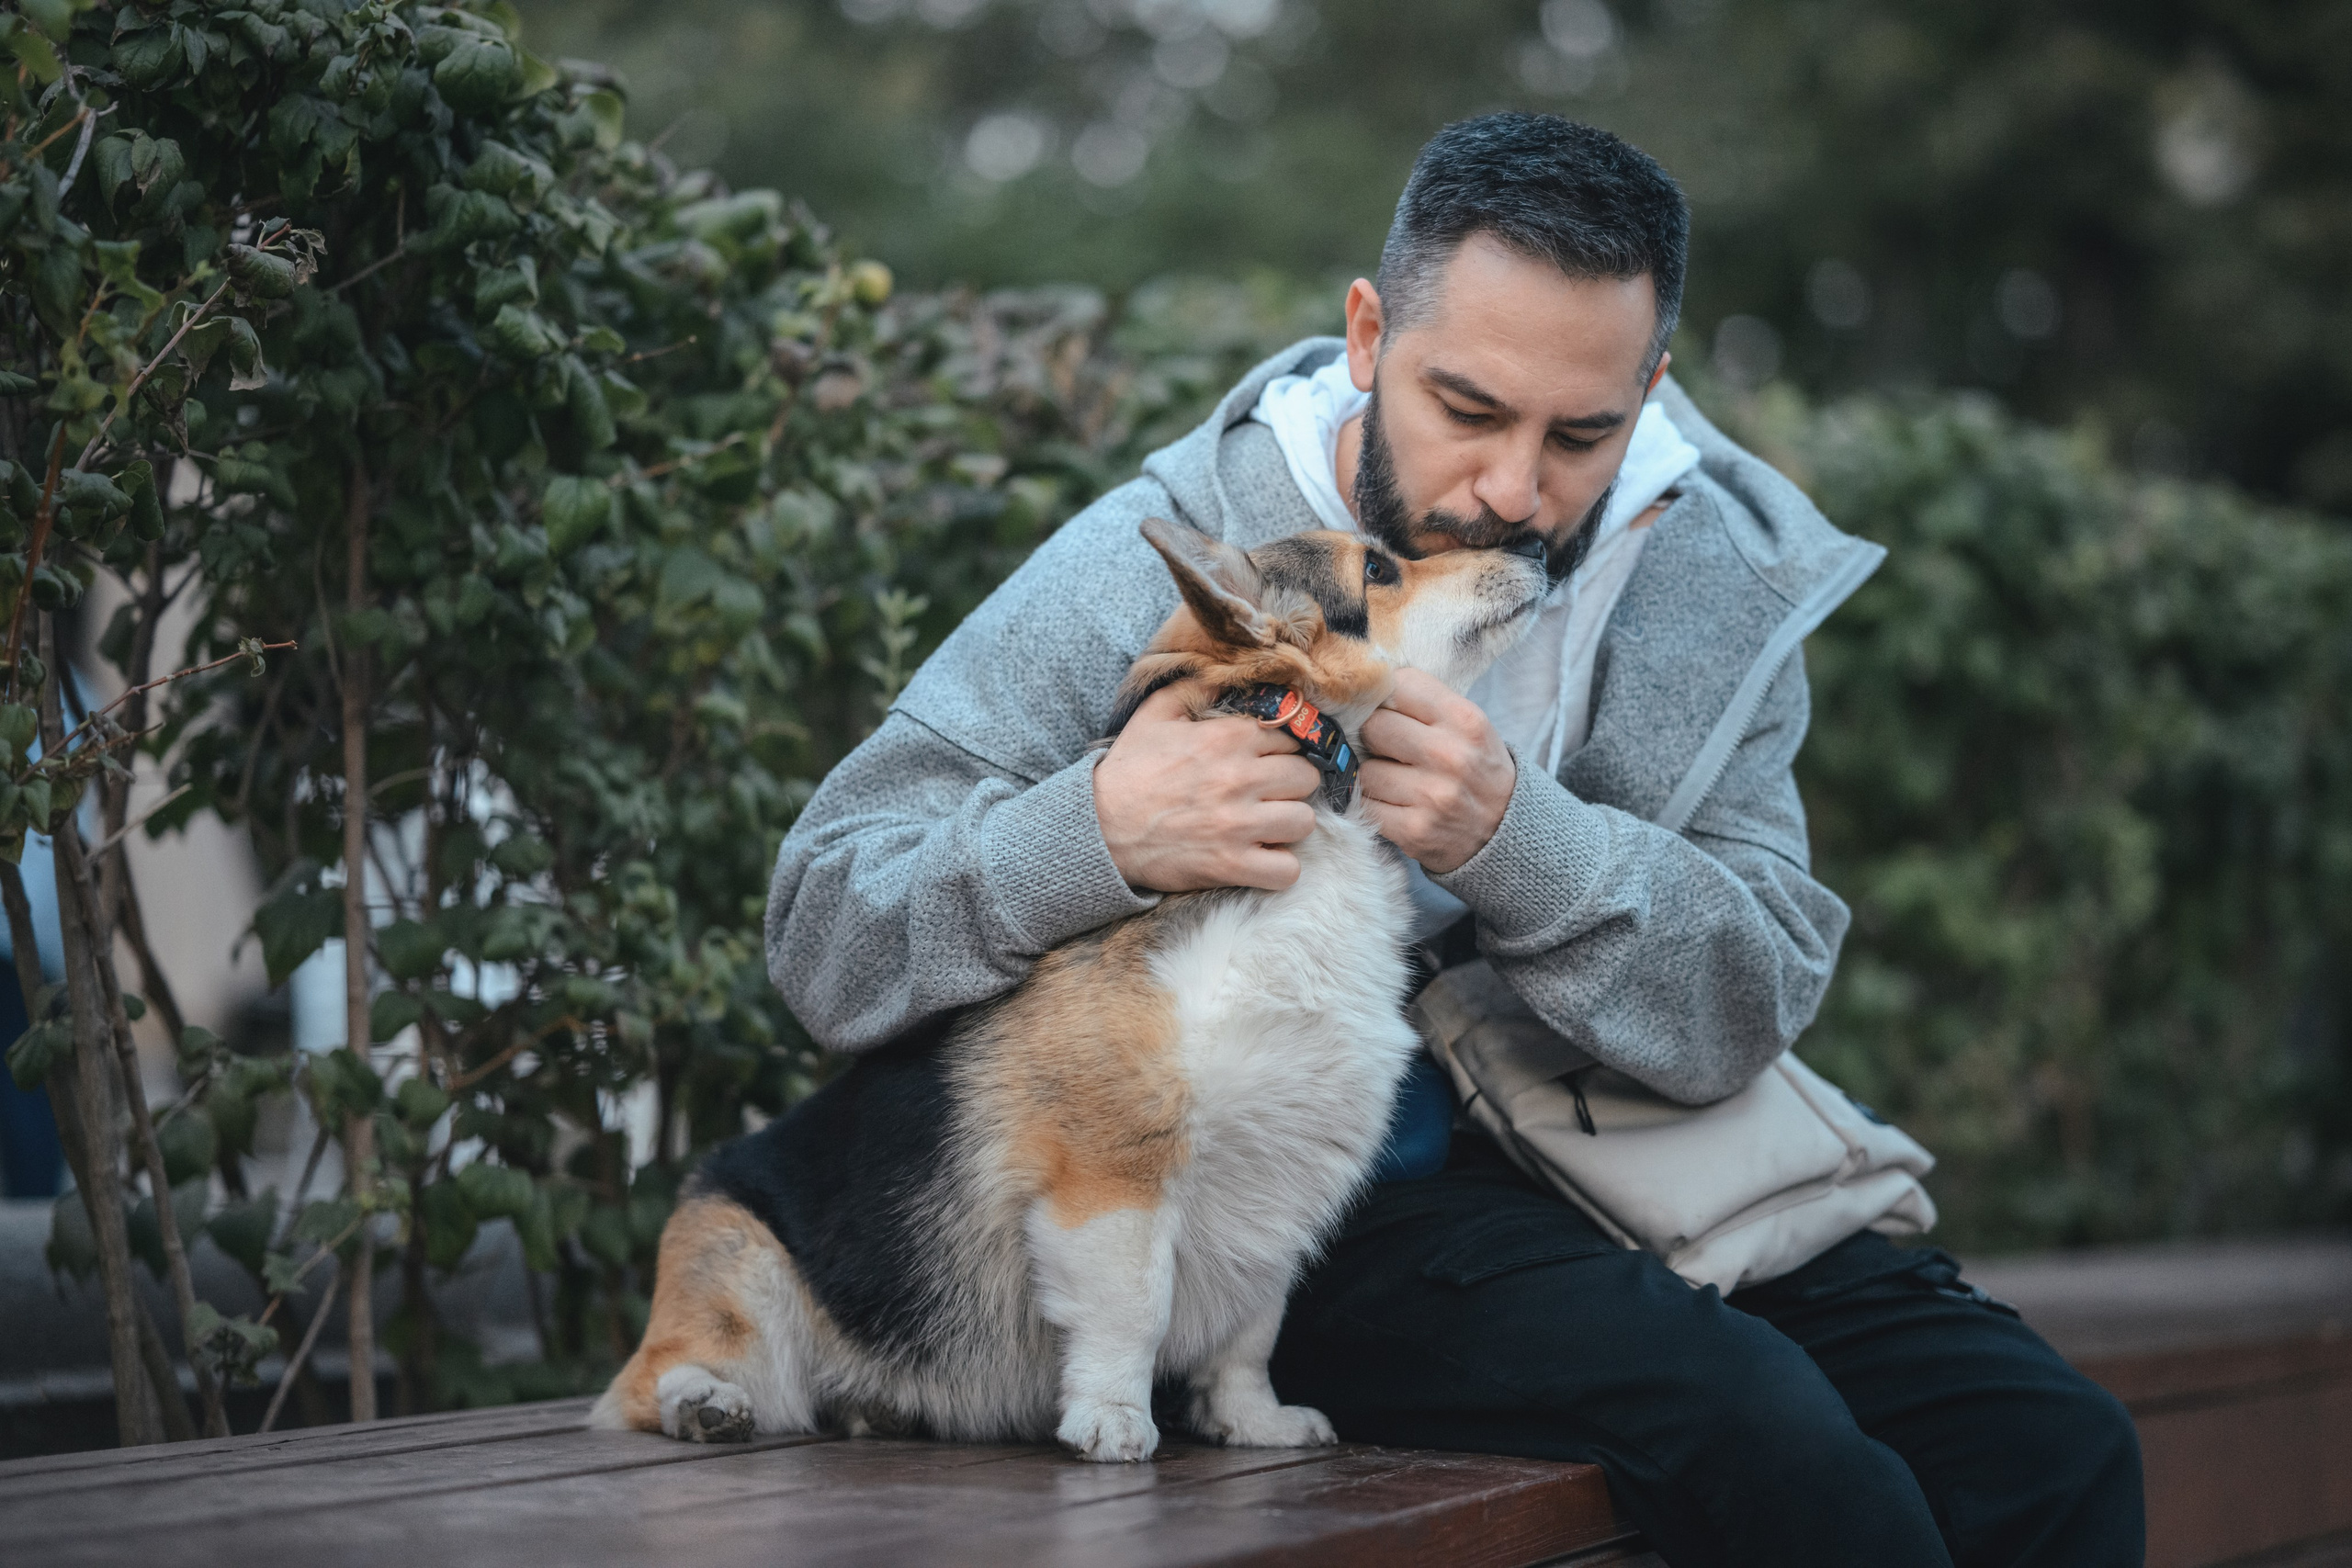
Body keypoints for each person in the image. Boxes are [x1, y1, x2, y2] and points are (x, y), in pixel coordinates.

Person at [765, 113, 2143, 1568]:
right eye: (1467, 410)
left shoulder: (1717, 580)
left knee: (2052, 1454)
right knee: (1785, 1456)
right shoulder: (1172, 555)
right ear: (1367, 333)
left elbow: (1753, 997)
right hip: (1313, 1201)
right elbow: (825, 927)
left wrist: (1520, 841)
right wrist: (1093, 829)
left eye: (1581, 435)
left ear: (1651, 388)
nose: (1511, 490)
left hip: (1648, 1160)